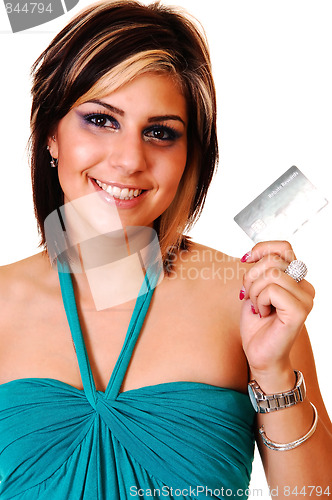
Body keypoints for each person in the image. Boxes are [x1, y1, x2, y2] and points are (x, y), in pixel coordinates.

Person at [0, 0, 331, 498]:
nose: (130, 159)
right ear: (51, 133)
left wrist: (272, 371)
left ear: (189, 158)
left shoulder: (244, 302)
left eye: (160, 133)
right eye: (101, 120)